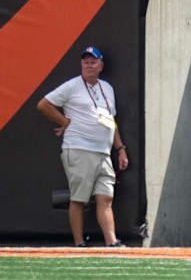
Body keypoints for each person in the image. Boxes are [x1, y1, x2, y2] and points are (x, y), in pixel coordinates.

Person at [36, 46, 129, 247]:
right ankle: (79, 243)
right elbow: (44, 104)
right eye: (85, 62)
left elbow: (111, 120)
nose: (89, 65)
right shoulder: (72, 86)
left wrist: (120, 148)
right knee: (79, 199)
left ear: (101, 66)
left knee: (106, 197)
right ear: (81, 65)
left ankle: (111, 242)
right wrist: (65, 121)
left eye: (93, 62)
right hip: (79, 149)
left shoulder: (107, 88)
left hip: (103, 152)